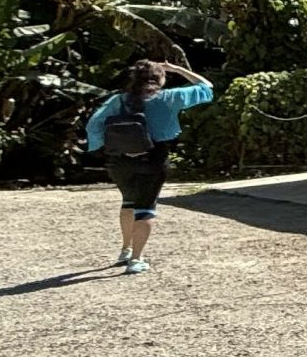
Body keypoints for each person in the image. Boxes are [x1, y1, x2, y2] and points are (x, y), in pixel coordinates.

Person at [84, 60, 212, 274]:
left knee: (128, 202)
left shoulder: (118, 100)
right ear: (160, 79)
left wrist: (106, 147)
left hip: (119, 160)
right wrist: (178, 69)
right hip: (153, 158)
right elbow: (206, 88)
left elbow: (93, 126)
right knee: (145, 208)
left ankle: (125, 250)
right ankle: (136, 260)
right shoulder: (169, 97)